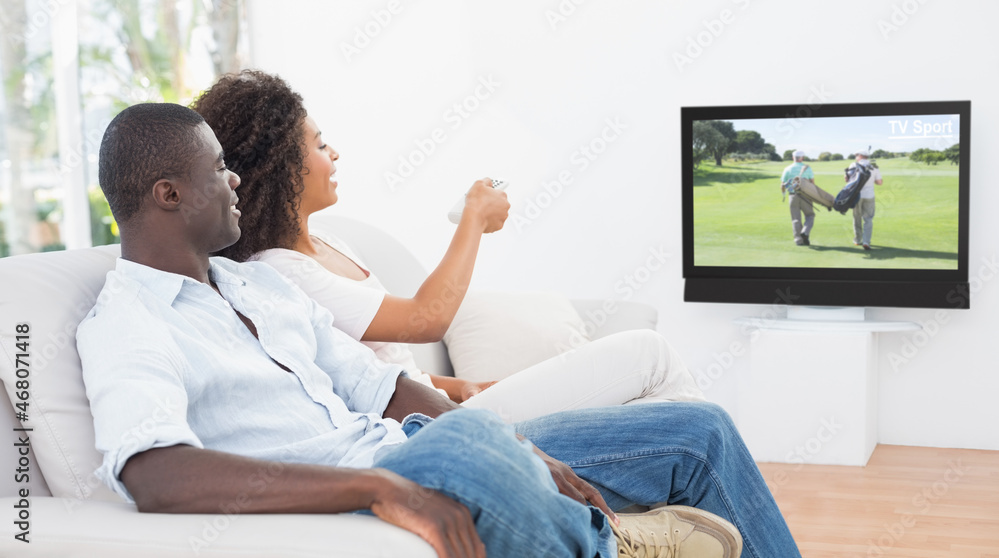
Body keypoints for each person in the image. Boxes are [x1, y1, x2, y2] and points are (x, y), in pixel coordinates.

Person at [77, 102, 804, 557]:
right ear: (168, 193)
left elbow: (385, 387)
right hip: (378, 470)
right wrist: (378, 485)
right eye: (218, 169)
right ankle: (610, 546)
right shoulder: (128, 323)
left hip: (421, 445)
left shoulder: (256, 285)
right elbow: (155, 473)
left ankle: (563, 503)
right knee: (467, 445)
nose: (235, 180)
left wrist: (518, 443)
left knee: (696, 431)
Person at [189, 70, 704, 423]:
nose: (335, 153)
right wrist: (474, 222)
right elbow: (424, 320)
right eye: (321, 145)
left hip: (446, 406)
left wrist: (461, 386)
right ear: (282, 167)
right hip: (428, 432)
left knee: (653, 393)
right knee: (647, 355)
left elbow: (384, 366)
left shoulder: (329, 241)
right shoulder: (280, 272)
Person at [848, 150, 882, 250]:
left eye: (856, 155)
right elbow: (879, 182)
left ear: (861, 156)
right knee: (868, 219)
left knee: (857, 217)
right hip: (869, 196)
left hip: (856, 195)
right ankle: (866, 241)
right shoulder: (874, 167)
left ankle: (857, 240)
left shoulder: (853, 165)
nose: (855, 157)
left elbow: (848, 179)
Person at [781, 150, 816, 246]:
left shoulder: (787, 169)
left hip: (793, 195)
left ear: (793, 158)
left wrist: (784, 194)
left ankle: (798, 240)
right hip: (806, 196)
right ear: (802, 158)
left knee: (795, 218)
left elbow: (783, 184)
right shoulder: (807, 168)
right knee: (810, 215)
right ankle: (805, 232)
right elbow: (812, 183)